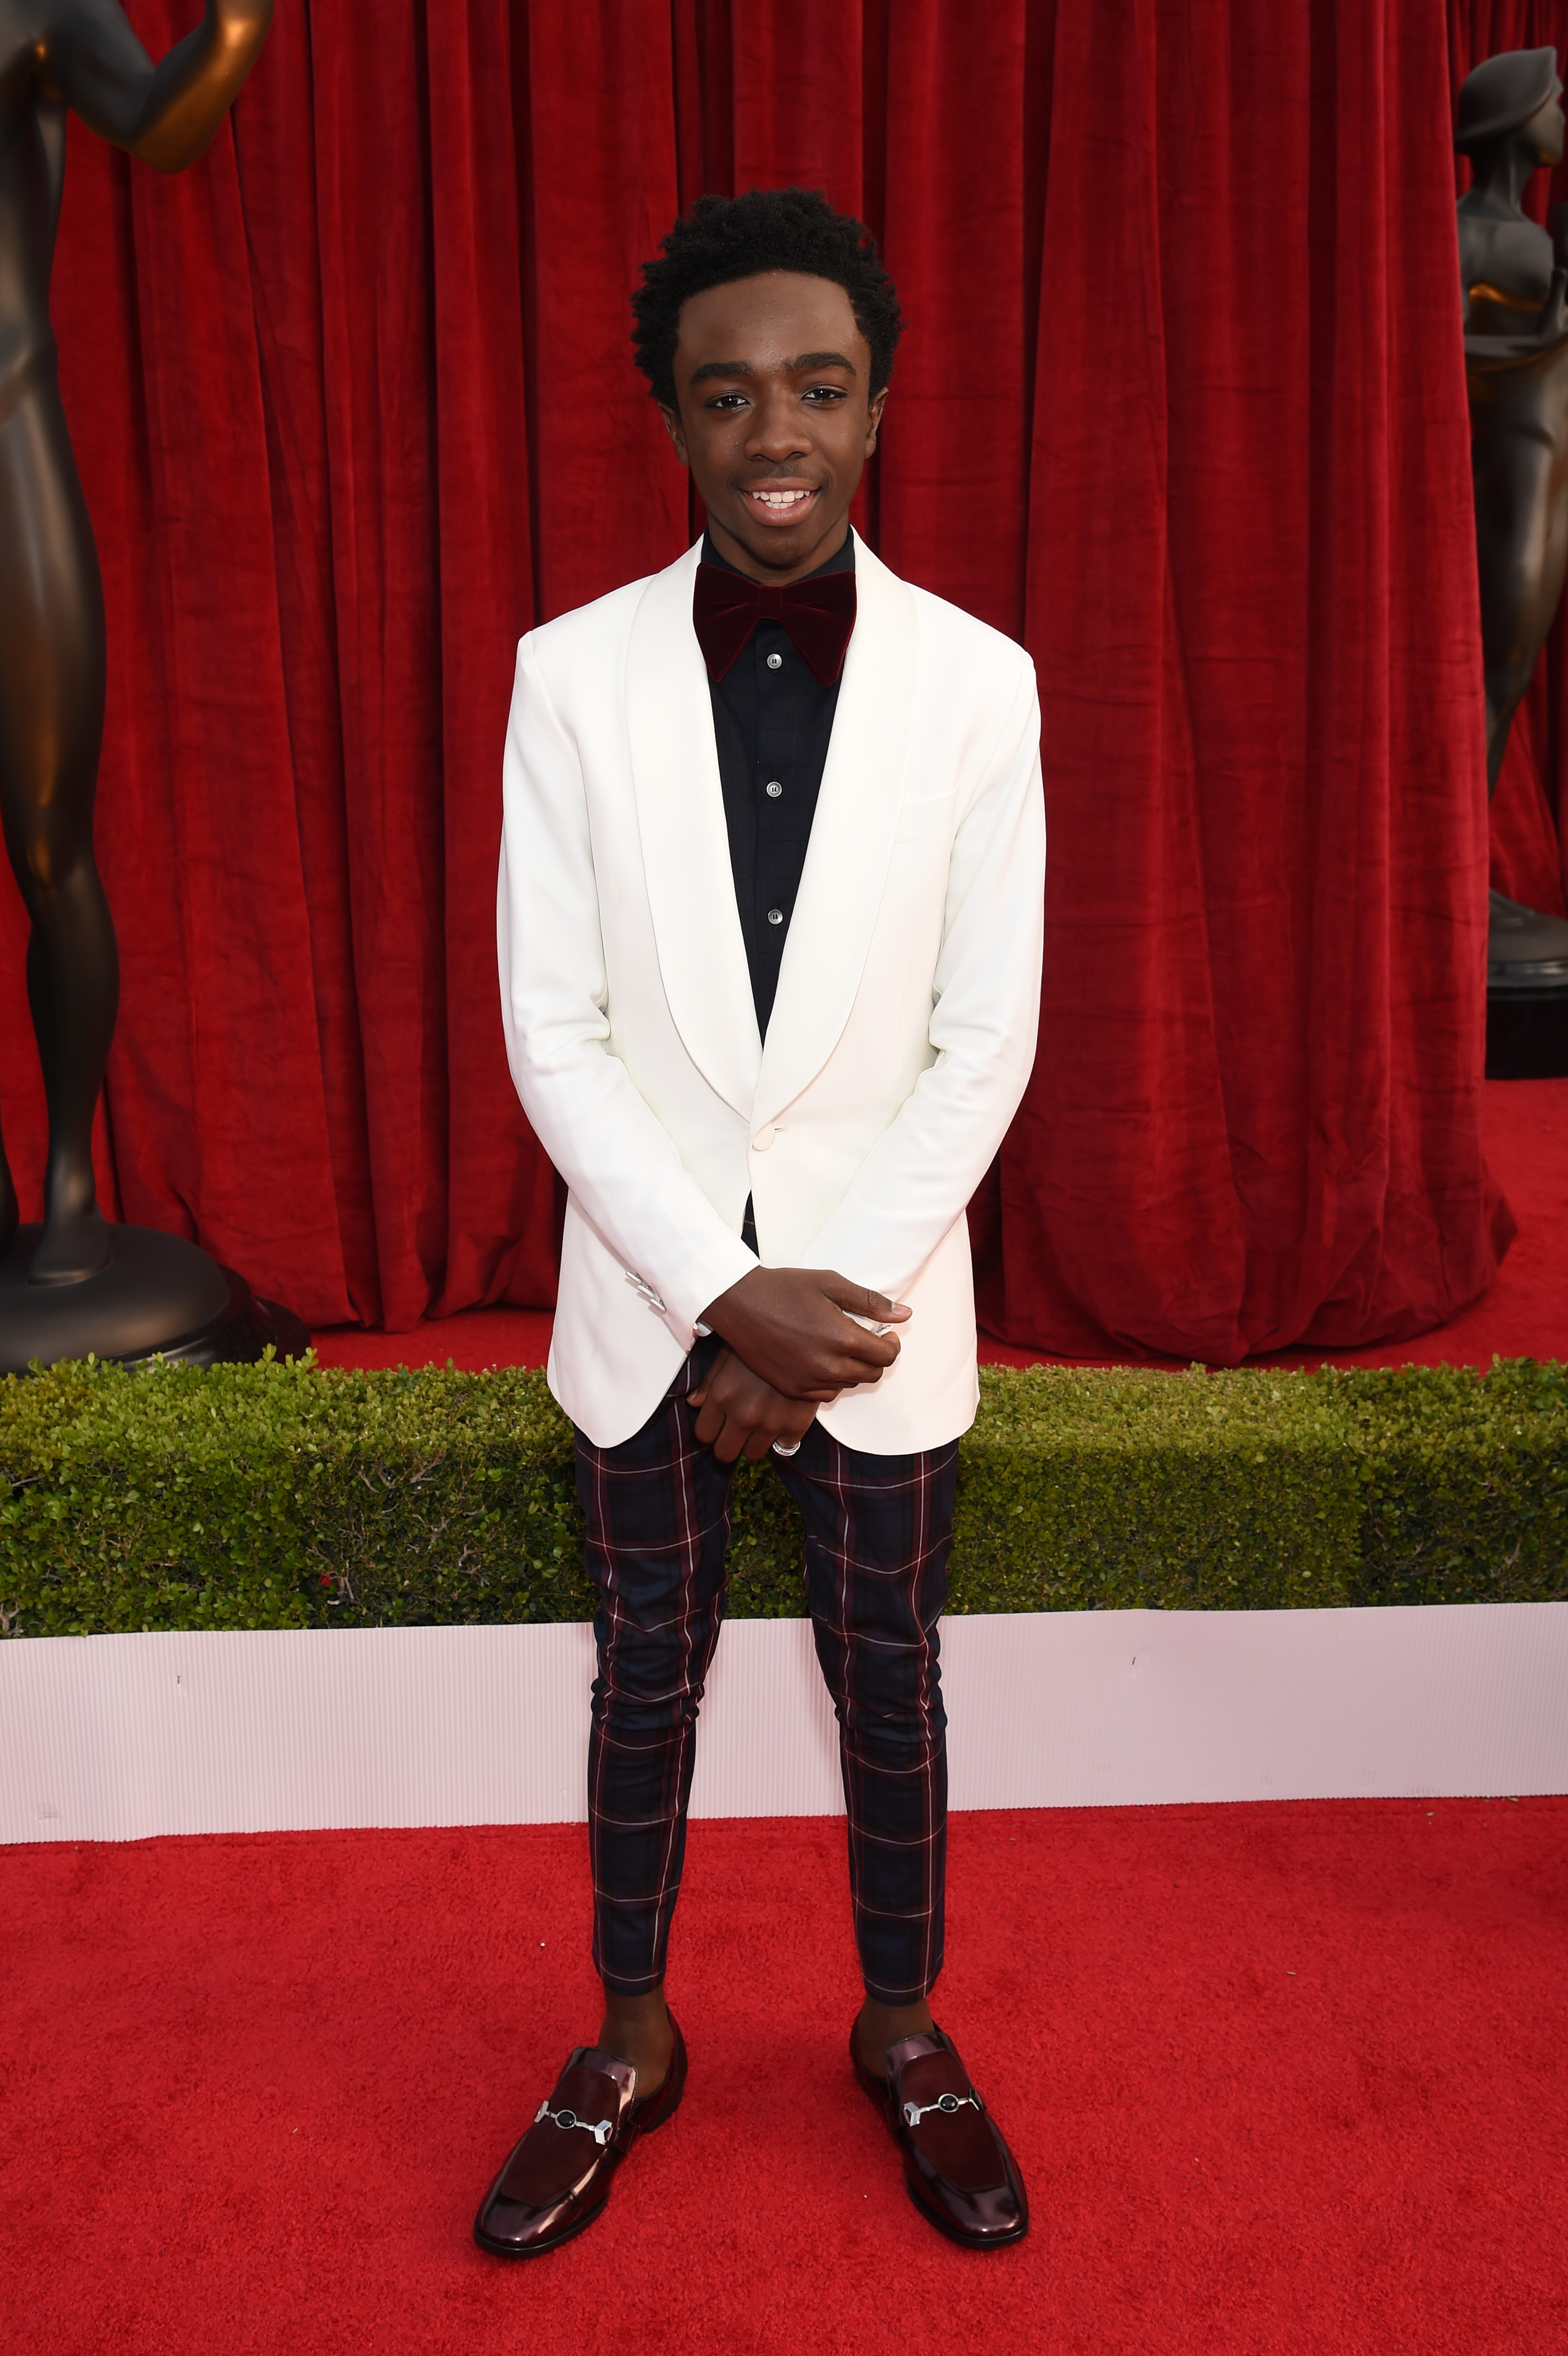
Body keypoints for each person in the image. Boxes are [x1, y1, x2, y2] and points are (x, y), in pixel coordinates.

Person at [483, 187, 1045, 2257]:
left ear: (877, 407)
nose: (776, 430)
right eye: (728, 395)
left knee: (888, 1675)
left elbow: (982, 1043)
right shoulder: (568, 678)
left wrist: (816, 1318)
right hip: (653, 1305)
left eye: (817, 385)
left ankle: (902, 2027)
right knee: (643, 1672)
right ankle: (629, 2035)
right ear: (673, 419)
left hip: (877, 1312)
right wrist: (722, 1293)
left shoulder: (982, 688)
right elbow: (554, 1030)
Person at [0, 1, 272, 1285]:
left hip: (8, 456)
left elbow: (163, 127)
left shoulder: (38, 9)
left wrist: (236, 25)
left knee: (50, 838)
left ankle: (68, 1183)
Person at [1456, 46, 1568, 972]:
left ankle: (1470, 865)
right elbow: (1451, 350)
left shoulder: (1527, 239)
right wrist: (1546, 337)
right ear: (1518, 118)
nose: (1560, 116)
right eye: (1551, 101)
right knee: (1498, 669)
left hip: (1542, 463)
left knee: (1513, 670)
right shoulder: (1492, 240)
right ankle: (1461, 874)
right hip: (1513, 467)